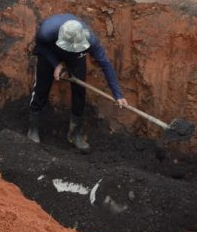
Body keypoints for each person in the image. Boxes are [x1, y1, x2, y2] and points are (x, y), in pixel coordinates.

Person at [27, 14, 127, 152]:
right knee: (41, 88)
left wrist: (118, 94)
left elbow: (105, 64)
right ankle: (33, 128)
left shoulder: (90, 41)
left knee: (79, 91)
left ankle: (75, 134)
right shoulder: (46, 32)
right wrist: (56, 64)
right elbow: (40, 48)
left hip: (76, 56)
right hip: (50, 51)